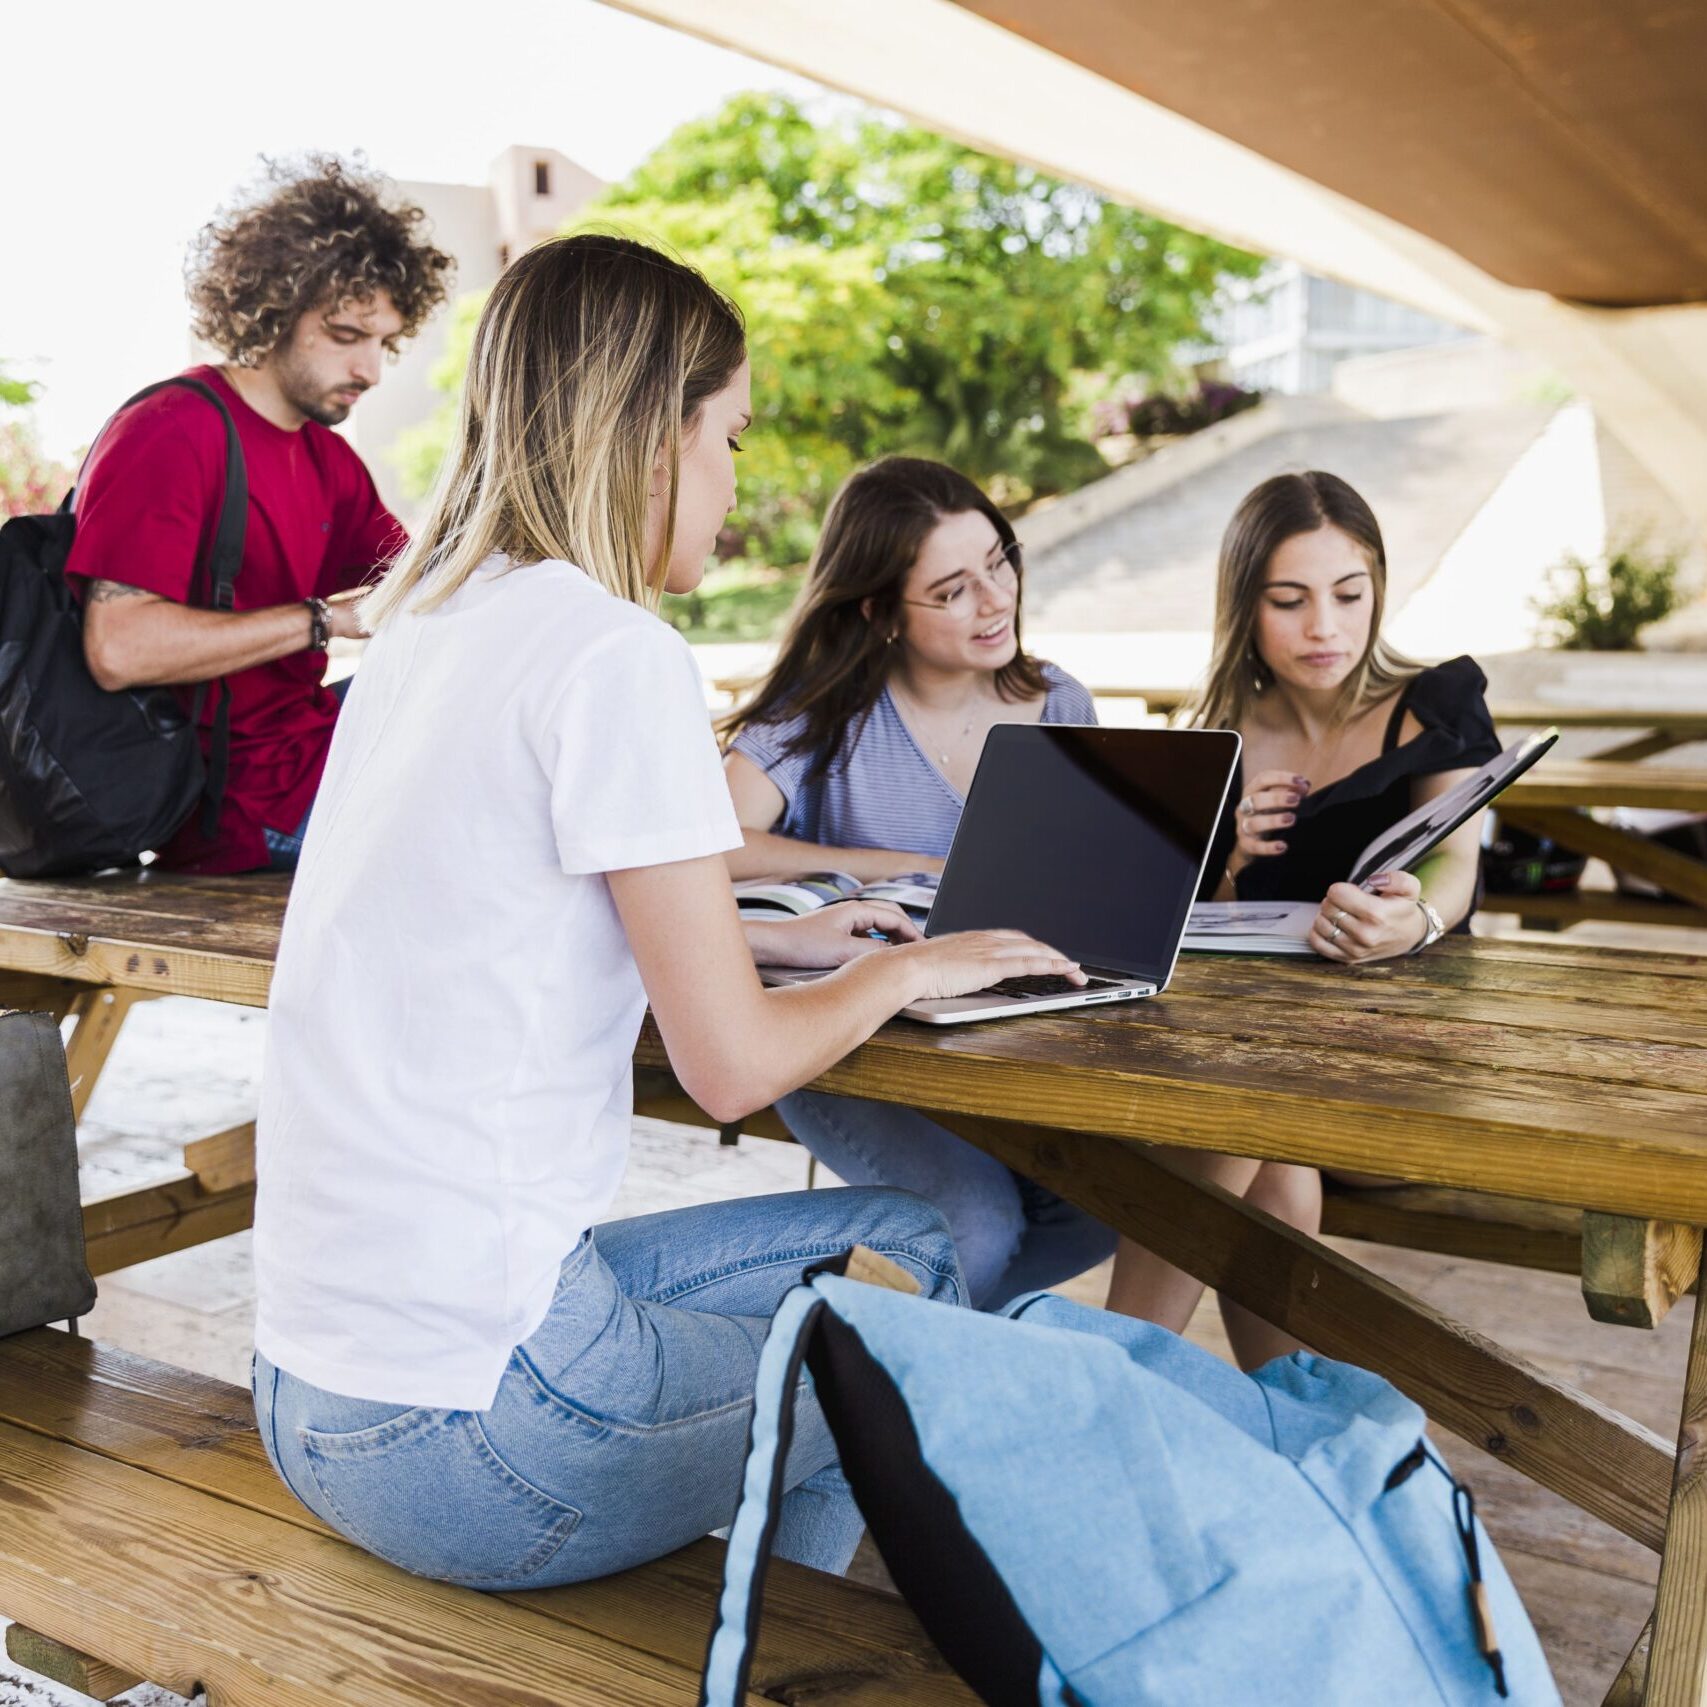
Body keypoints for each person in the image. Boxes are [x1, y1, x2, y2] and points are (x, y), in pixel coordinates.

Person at [249, 234, 1083, 1590]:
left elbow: (492, 911)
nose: (735, 480)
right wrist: (909, 963)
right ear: (652, 437)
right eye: (732, 436)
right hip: (475, 1435)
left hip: (311, 1392)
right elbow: (732, 1063)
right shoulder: (611, 648)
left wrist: (784, 932)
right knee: (902, 1289)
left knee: (897, 1249)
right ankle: (786, 1639)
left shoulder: (429, 623)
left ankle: (768, 1611)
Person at [1105, 469, 1501, 1365]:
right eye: (1289, 600)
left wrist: (1418, 923)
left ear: (1377, 593)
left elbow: (1458, 858)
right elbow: (1198, 933)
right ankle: (1298, 1420)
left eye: (1348, 594)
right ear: (1245, 606)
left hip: (1411, 1055)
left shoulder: (1432, 704)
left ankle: (1111, 1370)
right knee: (1259, 1139)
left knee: (1236, 1114)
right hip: (1270, 1059)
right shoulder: (1220, 732)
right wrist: (1232, 858)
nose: (1324, 626)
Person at [720, 458, 1117, 1309]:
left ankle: (875, 1333)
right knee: (971, 1225)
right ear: (877, 610)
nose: (994, 598)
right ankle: (884, 1379)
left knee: (1105, 1205)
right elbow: (708, 849)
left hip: (1006, 1028)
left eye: (998, 562)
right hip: (844, 1034)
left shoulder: (1059, 705)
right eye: (952, 589)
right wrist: (901, 870)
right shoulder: (819, 713)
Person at [64, 156, 452, 872]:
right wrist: (322, 618)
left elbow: (426, 586)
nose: (371, 368)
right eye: (344, 335)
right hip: (237, 809)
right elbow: (117, 648)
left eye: (382, 342)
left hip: (313, 759)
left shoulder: (328, 460)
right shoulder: (172, 428)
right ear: (274, 308)